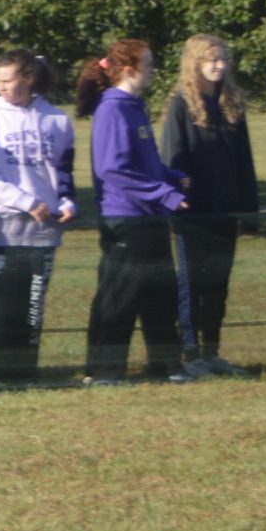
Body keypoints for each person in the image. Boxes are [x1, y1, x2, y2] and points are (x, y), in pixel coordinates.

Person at [77, 41, 192, 385]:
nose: (153, 70)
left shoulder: (134, 107)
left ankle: (167, 366)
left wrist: (171, 177)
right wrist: (164, 194)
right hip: (125, 218)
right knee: (120, 296)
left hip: (150, 216)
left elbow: (143, 163)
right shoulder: (112, 110)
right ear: (129, 70)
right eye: (149, 64)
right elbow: (113, 168)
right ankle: (104, 371)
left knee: (160, 294)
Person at [0, 52, 75, 386]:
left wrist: (66, 202)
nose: (1, 86)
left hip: (43, 230)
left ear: (28, 78)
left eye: (8, 80)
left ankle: (25, 371)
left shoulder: (56, 120)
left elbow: (64, 172)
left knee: (31, 304)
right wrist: (26, 202)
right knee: (0, 304)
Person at [160, 35, 260, 378]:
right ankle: (190, 354)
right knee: (192, 285)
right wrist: (176, 199)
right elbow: (172, 158)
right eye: (211, 60)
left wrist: (249, 211)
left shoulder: (231, 104)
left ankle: (212, 350)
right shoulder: (181, 104)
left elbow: (244, 161)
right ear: (195, 63)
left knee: (218, 283)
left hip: (225, 210)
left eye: (222, 59)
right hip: (193, 214)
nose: (218, 66)